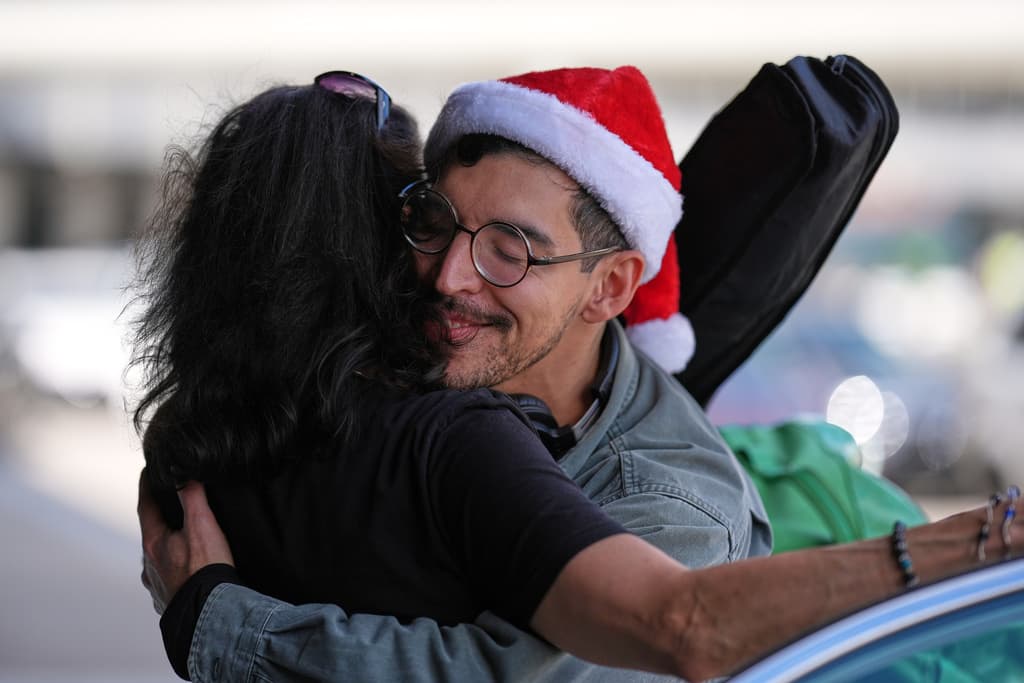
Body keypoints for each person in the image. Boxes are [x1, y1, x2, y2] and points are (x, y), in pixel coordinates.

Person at [139, 67, 774, 682]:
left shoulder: (674, 507)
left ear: (609, 287)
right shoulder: (383, 366)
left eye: (509, 252)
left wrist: (220, 620)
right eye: (436, 222)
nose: (449, 277)